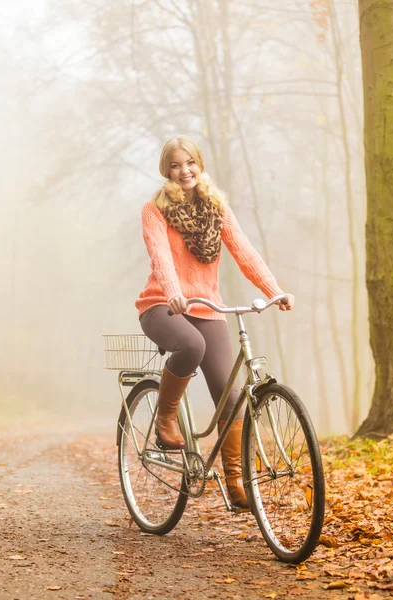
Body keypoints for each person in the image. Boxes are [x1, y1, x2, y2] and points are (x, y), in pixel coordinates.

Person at [135, 135, 294, 509]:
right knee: (191, 345)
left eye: (189, 162)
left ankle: (237, 486)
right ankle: (165, 420)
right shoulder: (154, 209)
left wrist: (275, 290)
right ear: (166, 170)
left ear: (200, 164)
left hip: (208, 307)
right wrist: (173, 290)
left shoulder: (216, 207)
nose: (184, 170)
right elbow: (161, 257)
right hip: (162, 304)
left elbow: (244, 251)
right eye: (175, 165)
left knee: (232, 395)